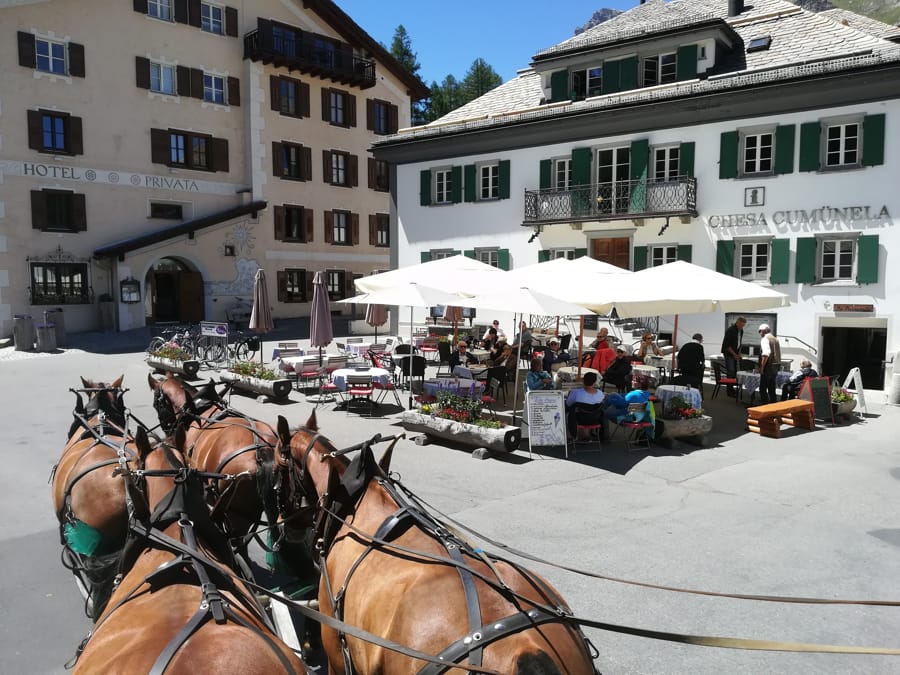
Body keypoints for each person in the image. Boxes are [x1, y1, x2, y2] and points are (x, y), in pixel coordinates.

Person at [565, 372, 607, 441]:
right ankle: (585, 434)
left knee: (567, 410)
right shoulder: (600, 394)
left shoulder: (576, 392)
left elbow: (568, 404)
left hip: (579, 419)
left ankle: (570, 435)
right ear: (595, 382)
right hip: (595, 419)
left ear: (583, 380)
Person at [721, 316, 746, 397]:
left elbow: (739, 343)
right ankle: (729, 390)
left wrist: (739, 353)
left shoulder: (741, 331)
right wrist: (734, 354)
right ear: (737, 322)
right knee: (731, 371)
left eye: (743, 325)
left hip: (735, 352)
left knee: (734, 371)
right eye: (741, 325)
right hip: (729, 353)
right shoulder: (731, 330)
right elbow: (727, 346)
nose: (742, 327)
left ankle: (732, 388)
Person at [758, 323, 782, 404]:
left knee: (763, 388)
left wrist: (761, 367)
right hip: (776, 366)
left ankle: (765, 406)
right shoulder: (775, 339)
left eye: (759, 331)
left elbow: (765, 354)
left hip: (768, 366)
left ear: (763, 331)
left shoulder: (765, 339)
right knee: (772, 388)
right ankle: (773, 405)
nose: (759, 333)